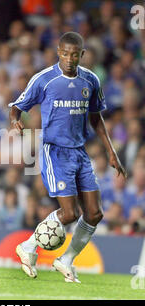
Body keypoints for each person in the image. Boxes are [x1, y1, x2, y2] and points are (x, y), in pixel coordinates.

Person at [9, 32, 126, 283]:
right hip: (55, 151)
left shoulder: (91, 80)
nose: (69, 59)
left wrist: (111, 151)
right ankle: (29, 247)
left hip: (80, 153)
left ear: (82, 55)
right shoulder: (44, 79)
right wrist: (14, 120)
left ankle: (65, 260)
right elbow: (17, 106)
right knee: (70, 213)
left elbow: (96, 118)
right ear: (58, 52)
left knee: (94, 213)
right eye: (65, 53)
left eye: (75, 54)